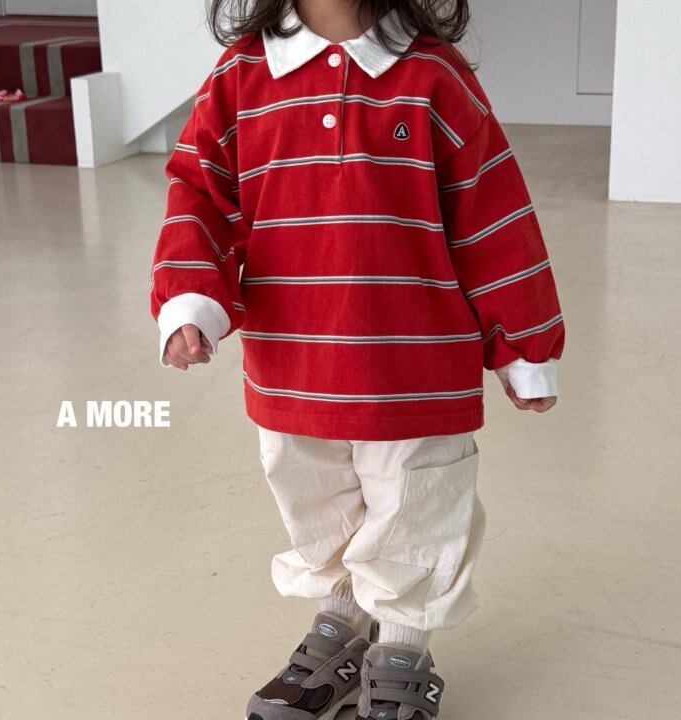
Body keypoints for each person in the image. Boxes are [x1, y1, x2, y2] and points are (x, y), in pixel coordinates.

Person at [150, 1, 564, 718]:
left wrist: (524, 344)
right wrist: (191, 298)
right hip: (292, 363)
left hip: (416, 366)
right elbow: (202, 194)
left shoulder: (434, 75)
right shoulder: (241, 75)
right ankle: (342, 623)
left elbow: (493, 214)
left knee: (415, 505)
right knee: (312, 496)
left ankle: (402, 646)